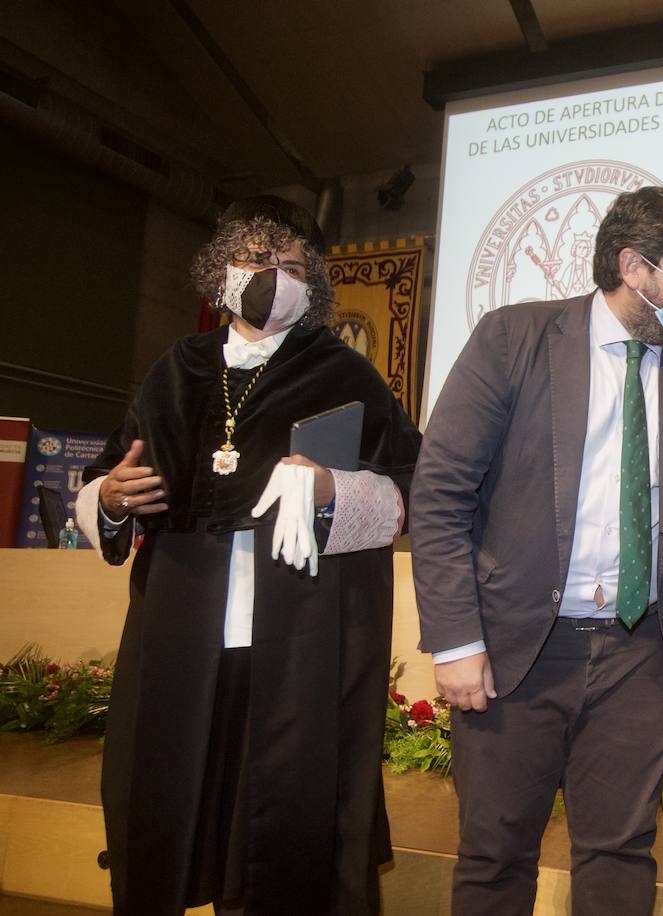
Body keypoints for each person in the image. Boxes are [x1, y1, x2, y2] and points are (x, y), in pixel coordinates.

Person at [75, 196, 423, 915]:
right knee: (172, 795)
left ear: (315, 283)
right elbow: (107, 478)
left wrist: (333, 487)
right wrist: (109, 497)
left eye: (291, 264)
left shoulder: (342, 372)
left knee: (281, 812)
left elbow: (411, 488)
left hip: (296, 629)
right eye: (255, 259)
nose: (272, 276)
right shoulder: (178, 369)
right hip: (182, 617)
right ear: (221, 270)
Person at [410, 186, 663, 916]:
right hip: (516, 649)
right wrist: (455, 638)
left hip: (640, 654)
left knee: (621, 855)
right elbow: (439, 494)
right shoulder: (513, 339)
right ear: (634, 266)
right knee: (495, 856)